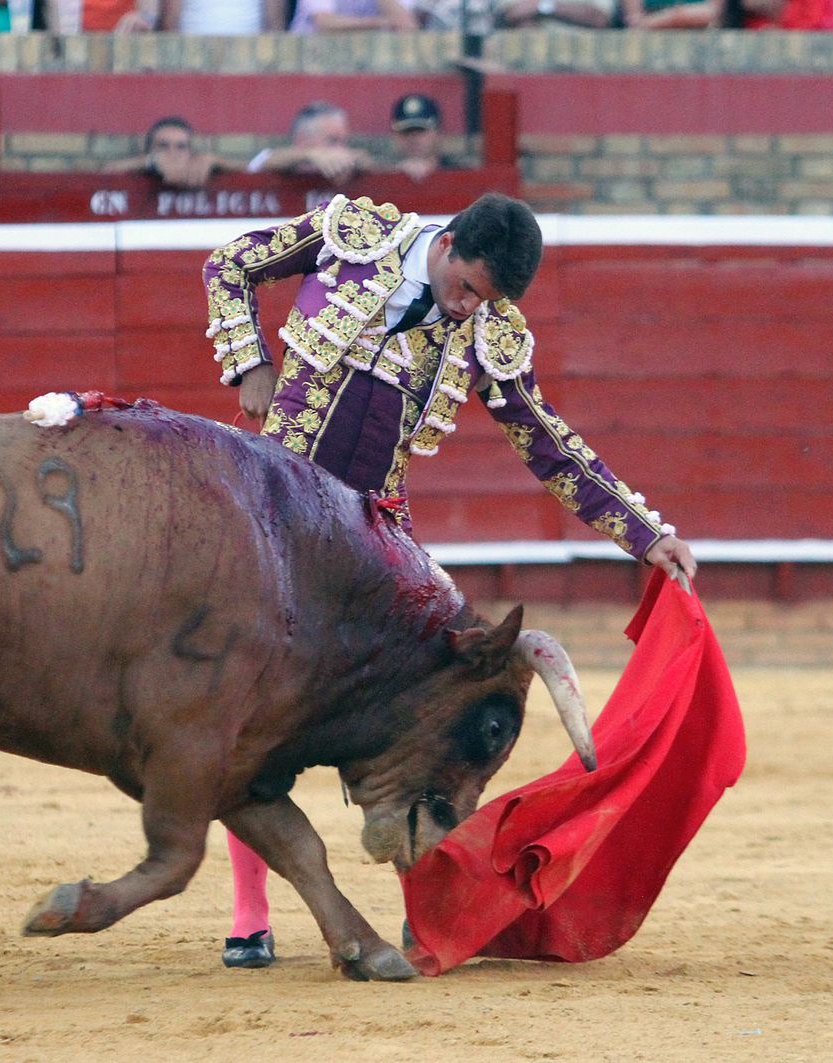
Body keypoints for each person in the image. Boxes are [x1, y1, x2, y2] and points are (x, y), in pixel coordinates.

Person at [203, 192, 697, 968]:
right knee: (250, 702)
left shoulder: (490, 330)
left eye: (485, 300)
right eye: (466, 287)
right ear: (450, 242)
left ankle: (425, 907)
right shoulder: (353, 239)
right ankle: (250, 910)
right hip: (277, 512)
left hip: (376, 537)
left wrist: (644, 533)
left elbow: (548, 444)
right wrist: (250, 363)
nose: (468, 308)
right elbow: (229, 264)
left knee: (422, 711)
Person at [248, 101, 374, 186]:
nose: (340, 149)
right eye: (332, 141)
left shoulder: (348, 163)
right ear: (302, 140)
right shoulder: (281, 162)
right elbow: (258, 165)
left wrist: (356, 162)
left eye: (344, 141)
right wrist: (309, 156)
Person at [102, 117, 242, 191]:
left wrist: (215, 161)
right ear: (150, 150)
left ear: (190, 152)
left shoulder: (202, 165)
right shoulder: (141, 168)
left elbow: (252, 168)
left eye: (181, 147)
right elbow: (106, 173)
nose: (172, 153)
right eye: (163, 146)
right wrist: (150, 163)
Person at [386, 93, 463, 183]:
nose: (413, 138)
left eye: (421, 131)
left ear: (438, 133)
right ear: (395, 136)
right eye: (406, 132)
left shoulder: (460, 173)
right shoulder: (382, 174)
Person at [289, 0, 416, 31]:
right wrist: (382, 23)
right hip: (309, 65)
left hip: (371, 69)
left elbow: (408, 26)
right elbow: (324, 22)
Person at [494, 0, 614, 26]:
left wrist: (545, 7)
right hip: (528, 68)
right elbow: (510, 14)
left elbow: (600, 19)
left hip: (585, 69)